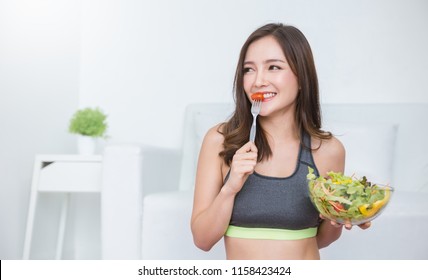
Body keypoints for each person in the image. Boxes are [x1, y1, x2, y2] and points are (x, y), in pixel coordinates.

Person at [190, 23, 370, 260]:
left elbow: (320, 239)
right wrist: (230, 188)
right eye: (248, 70)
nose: (258, 81)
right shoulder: (220, 141)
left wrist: (339, 216)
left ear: (302, 77)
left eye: (273, 67)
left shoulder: (327, 150)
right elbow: (202, 240)